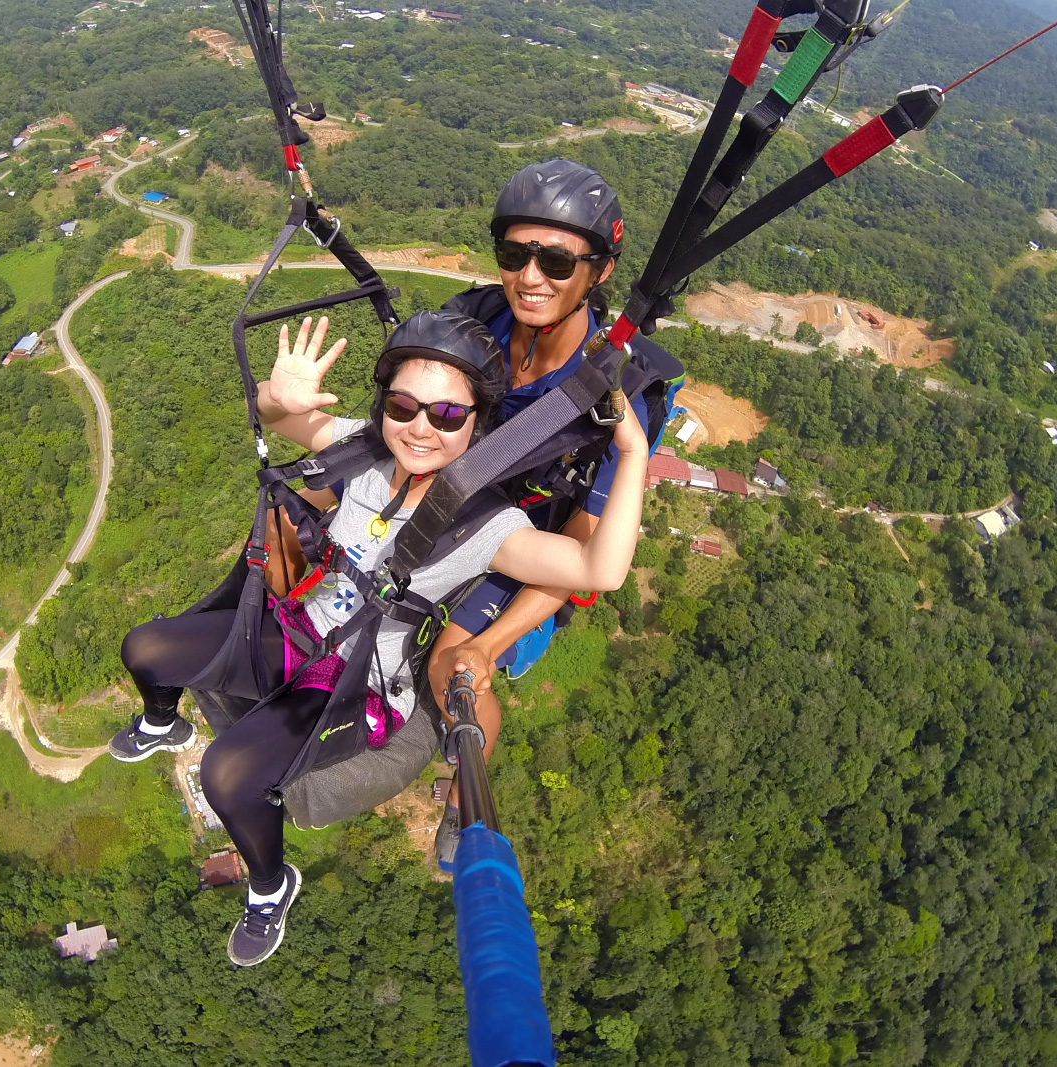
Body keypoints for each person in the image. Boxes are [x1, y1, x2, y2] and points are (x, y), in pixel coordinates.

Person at [109, 309, 650, 967]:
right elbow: (284, 420)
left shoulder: (486, 523)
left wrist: (632, 453)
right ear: (384, 406)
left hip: (353, 684)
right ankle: (163, 722)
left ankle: (270, 885)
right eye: (405, 406)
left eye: (447, 416)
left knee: (227, 776)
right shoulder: (366, 449)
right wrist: (277, 396)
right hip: (295, 631)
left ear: (477, 420)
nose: (421, 428)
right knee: (145, 649)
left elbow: (599, 568)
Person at [426, 160, 683, 863]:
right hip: (450, 495)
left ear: (599, 271)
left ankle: (462, 801)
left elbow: (583, 543)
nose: (530, 277)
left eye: (557, 260)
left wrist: (488, 640)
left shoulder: (627, 388)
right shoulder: (474, 317)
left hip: (537, 534)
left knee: (452, 664)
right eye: (515, 254)